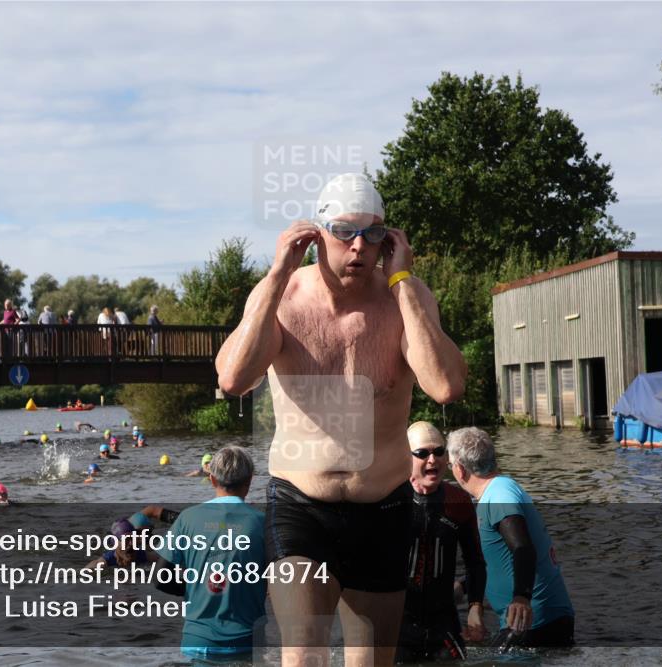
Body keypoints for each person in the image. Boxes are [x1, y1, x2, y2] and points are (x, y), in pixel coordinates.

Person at [215, 172, 466, 666]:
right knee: (304, 656)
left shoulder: (405, 300)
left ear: (389, 241)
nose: (358, 247)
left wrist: (405, 283)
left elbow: (446, 386)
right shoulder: (283, 299)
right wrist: (274, 277)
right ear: (315, 235)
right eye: (344, 232)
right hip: (301, 505)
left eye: (373, 235)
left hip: (385, 509)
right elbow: (233, 380)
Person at [446, 427, 575, 649]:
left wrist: (522, 598)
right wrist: (464, 588)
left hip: (533, 621)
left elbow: (523, 548)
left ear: (459, 469)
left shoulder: (499, 495)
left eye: (449, 465)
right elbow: (501, 561)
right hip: (536, 620)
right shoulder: (498, 491)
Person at [151, 446, 266, 660]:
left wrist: (194, 588)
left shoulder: (186, 518)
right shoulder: (263, 524)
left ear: (212, 479)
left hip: (197, 640)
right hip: (247, 642)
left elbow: (160, 579)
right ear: (249, 481)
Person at [397, 422, 486, 662]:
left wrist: (475, 608)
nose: (432, 460)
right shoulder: (391, 499)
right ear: (406, 457)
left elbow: (476, 562)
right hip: (397, 621)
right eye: (422, 453)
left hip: (443, 619)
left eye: (438, 452)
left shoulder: (459, 502)